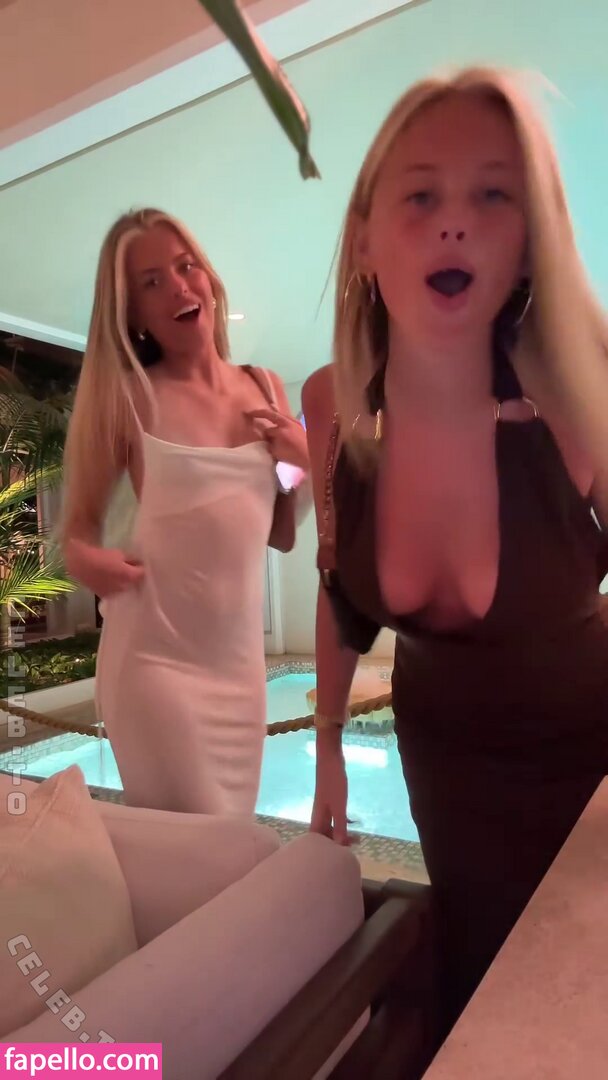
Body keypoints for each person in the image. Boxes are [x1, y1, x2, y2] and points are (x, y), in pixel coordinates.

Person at [302, 66, 608, 1037]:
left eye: (492, 196)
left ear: (527, 240)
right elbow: (339, 593)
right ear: (364, 235)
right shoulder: (332, 403)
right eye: (422, 194)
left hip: (587, 752)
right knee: (478, 979)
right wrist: (326, 751)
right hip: (439, 755)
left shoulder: (580, 387)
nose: (455, 225)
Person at [61, 208, 310, 816]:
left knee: (221, 845)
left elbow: (279, 533)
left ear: (208, 277)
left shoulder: (266, 386)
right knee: (202, 843)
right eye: (152, 282)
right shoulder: (129, 397)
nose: (178, 286)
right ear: (133, 314)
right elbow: (77, 534)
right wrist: (89, 562)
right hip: (155, 667)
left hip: (241, 674)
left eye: (185, 266)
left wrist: (304, 460)